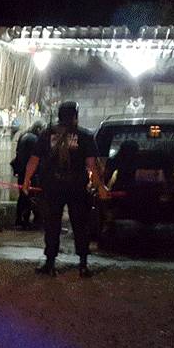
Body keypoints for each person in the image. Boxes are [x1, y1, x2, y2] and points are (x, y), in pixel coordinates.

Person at [22, 101, 109, 277]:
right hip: (77, 187)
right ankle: (83, 264)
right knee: (80, 225)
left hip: (52, 187)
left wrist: (26, 180)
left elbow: (34, 160)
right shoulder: (84, 135)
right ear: (75, 116)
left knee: (52, 225)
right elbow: (92, 165)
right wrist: (100, 186)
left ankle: (50, 263)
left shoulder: (47, 134)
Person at [11, 120, 45, 228]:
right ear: (38, 129)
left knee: (23, 196)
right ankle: (29, 220)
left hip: (22, 172)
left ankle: (20, 220)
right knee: (31, 197)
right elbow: (36, 158)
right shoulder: (34, 140)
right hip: (31, 174)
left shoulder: (23, 135)